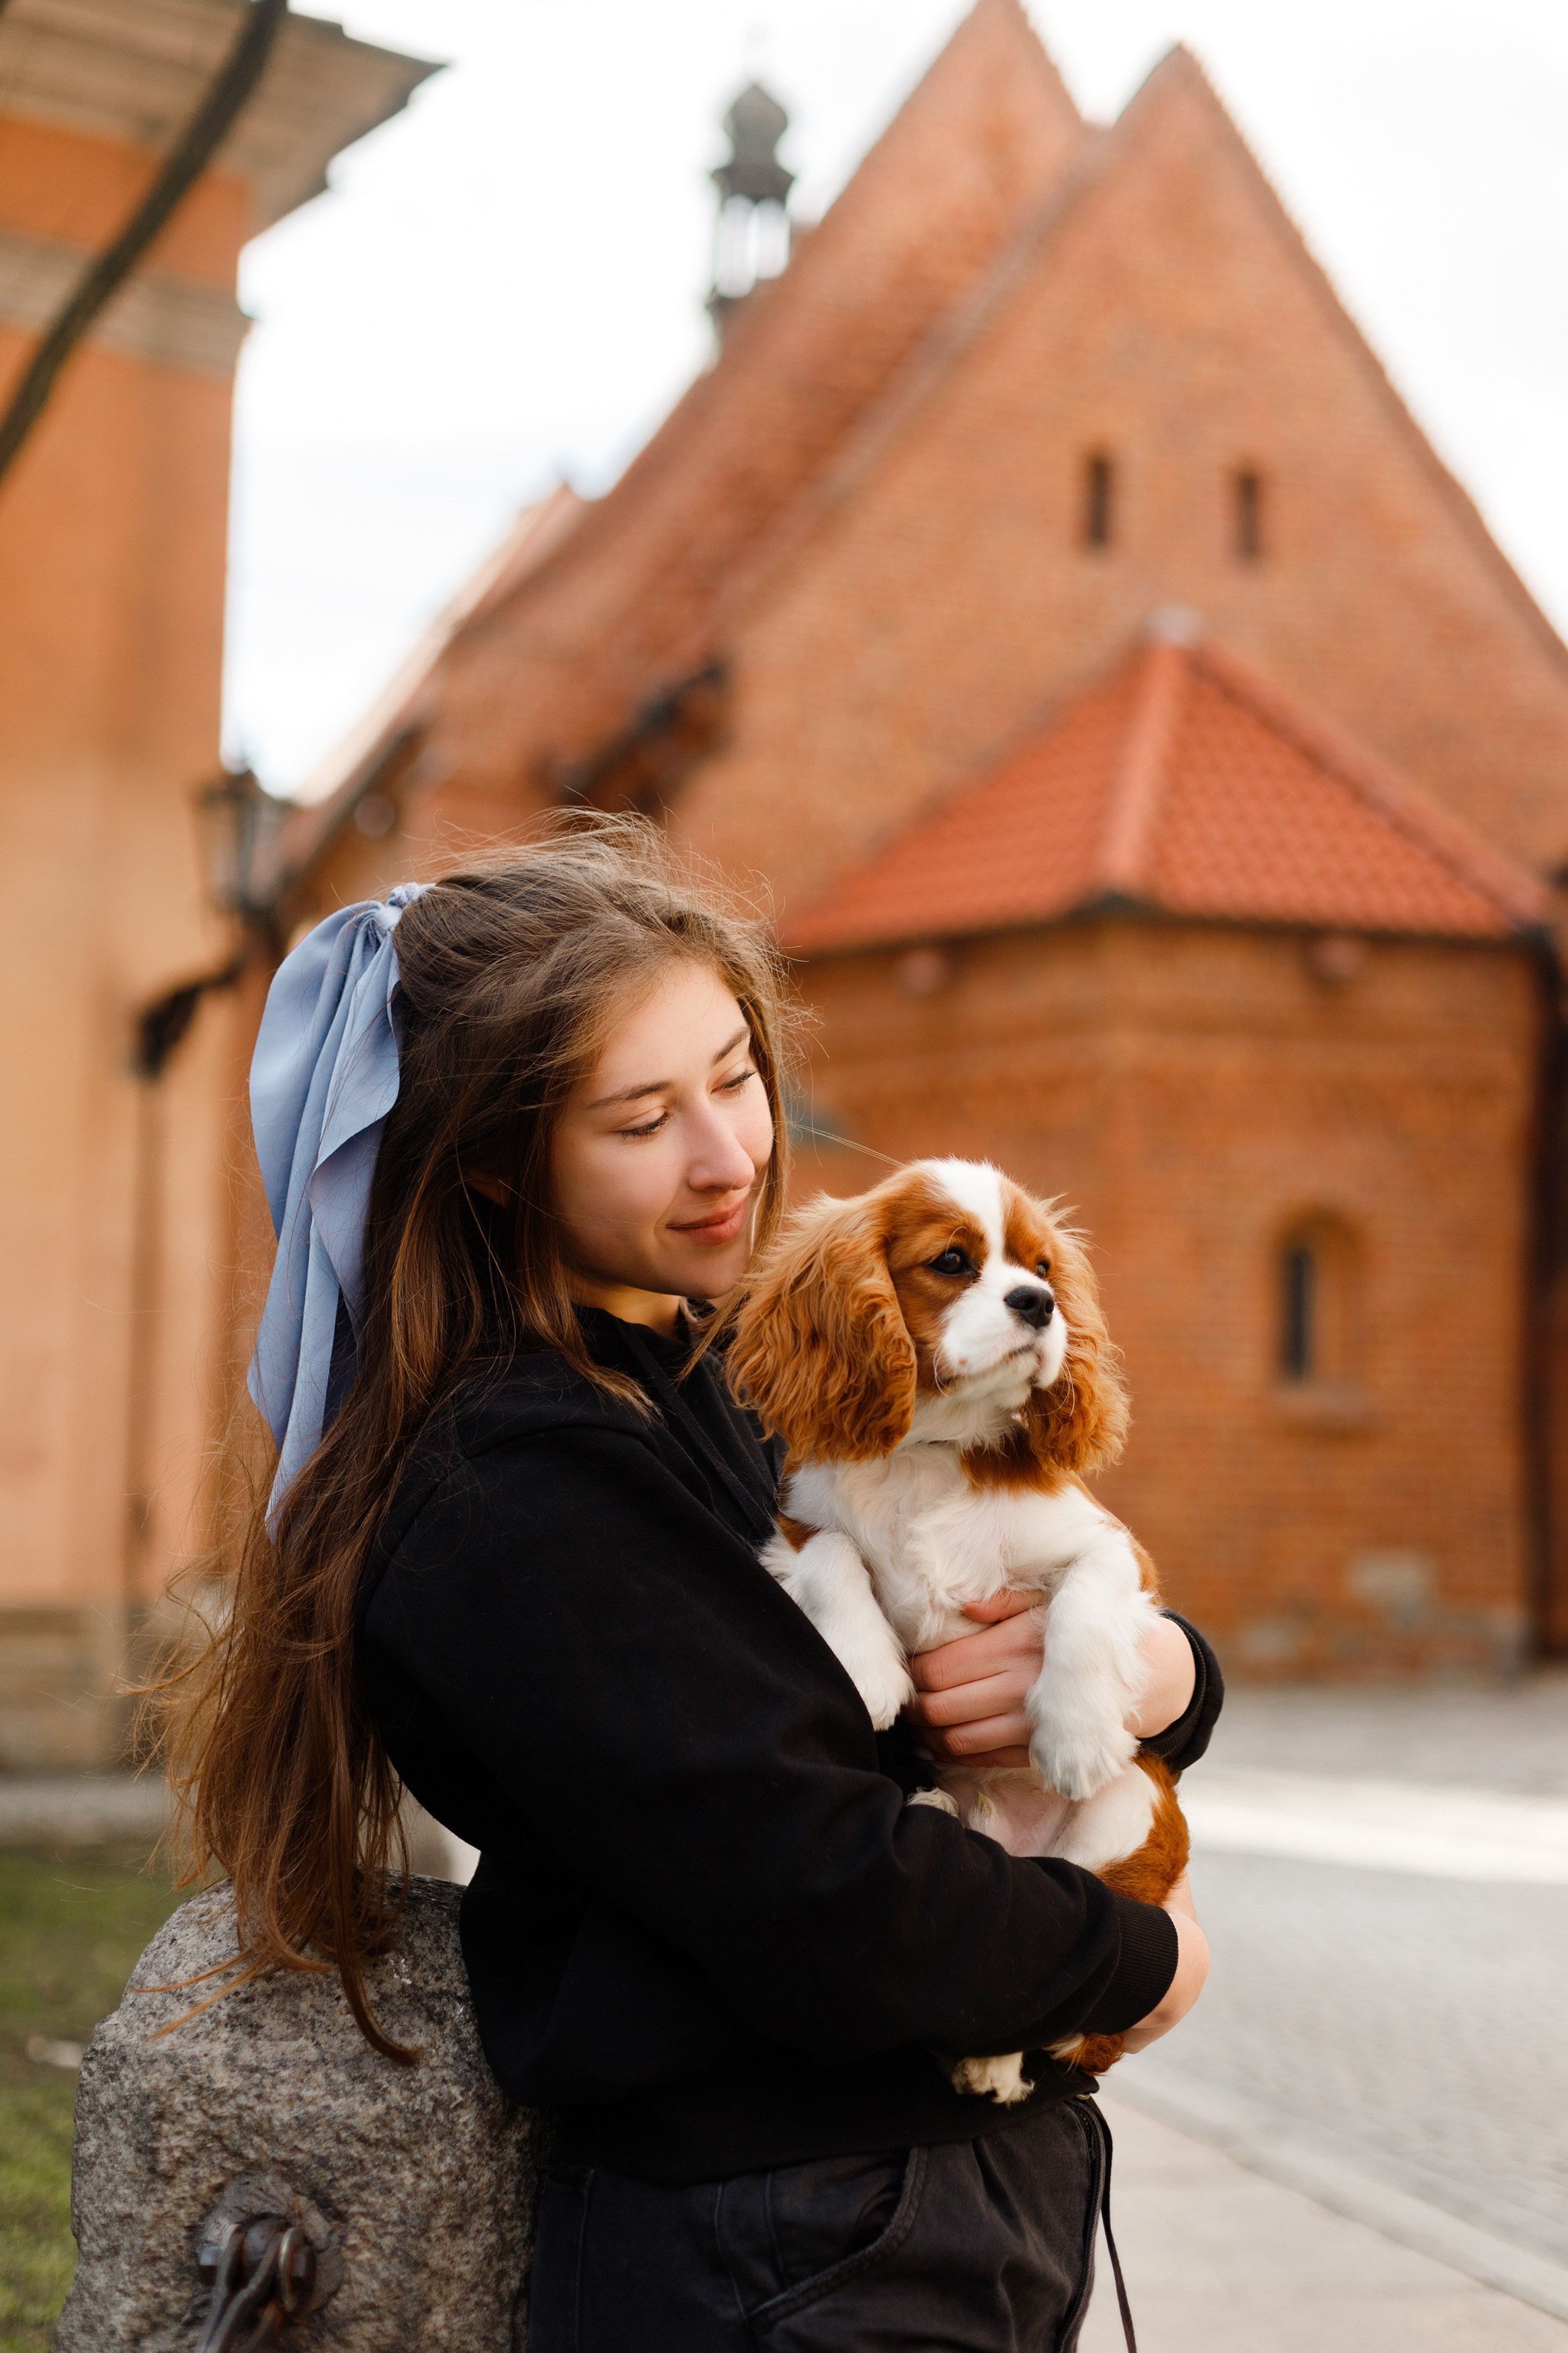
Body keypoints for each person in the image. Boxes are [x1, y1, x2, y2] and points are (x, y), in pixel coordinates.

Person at [170, 818, 1218, 2353]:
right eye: (642, 1119)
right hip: (786, 2242)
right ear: (492, 1166)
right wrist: (1141, 1957)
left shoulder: (711, 1373)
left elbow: (991, 1588)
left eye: (734, 1075)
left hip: (906, 2208)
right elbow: (820, 1885)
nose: (729, 1156)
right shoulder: (514, 1489)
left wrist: (1168, 1672)